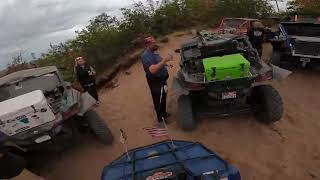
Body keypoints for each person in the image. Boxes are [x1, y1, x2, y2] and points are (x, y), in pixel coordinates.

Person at [141, 37, 172, 123]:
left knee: (163, 97)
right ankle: (160, 118)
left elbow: (159, 61)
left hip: (162, 79)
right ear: (147, 45)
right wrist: (164, 61)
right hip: (155, 81)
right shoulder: (145, 56)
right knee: (158, 99)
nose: (155, 44)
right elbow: (153, 70)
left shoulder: (154, 53)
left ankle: (164, 113)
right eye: (153, 43)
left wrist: (167, 63)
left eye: (155, 42)